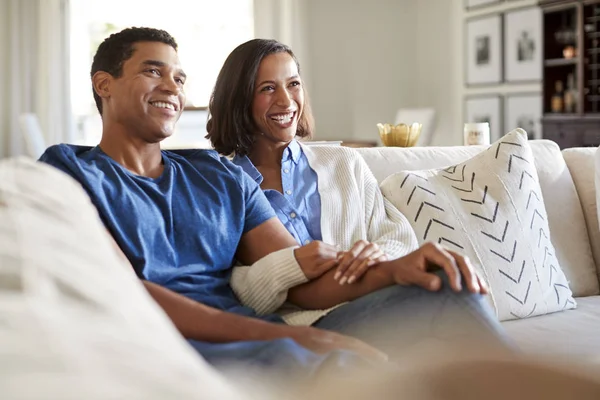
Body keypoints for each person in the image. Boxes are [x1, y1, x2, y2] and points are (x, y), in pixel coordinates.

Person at [38, 27, 500, 379]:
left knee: (445, 287)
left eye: (179, 77)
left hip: (267, 333)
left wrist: (396, 268)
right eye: (152, 71)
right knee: (351, 373)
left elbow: (299, 280)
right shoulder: (68, 170)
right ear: (104, 84)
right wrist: (292, 336)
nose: (172, 87)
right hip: (177, 342)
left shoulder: (218, 175)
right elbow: (124, 289)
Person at [206, 38, 511, 356]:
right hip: (304, 327)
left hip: (378, 301)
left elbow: (396, 237)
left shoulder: (343, 162)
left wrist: (375, 254)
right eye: (267, 88)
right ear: (240, 99)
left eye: (293, 84)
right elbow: (240, 285)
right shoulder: (224, 184)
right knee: (447, 289)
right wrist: (294, 266)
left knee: (450, 284)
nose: (286, 101)